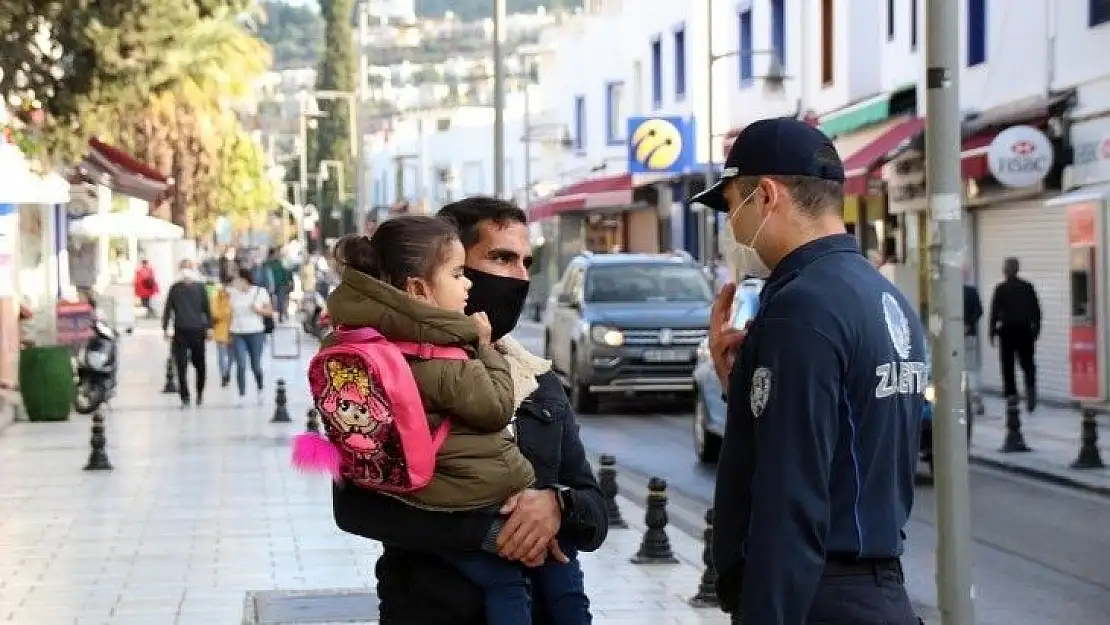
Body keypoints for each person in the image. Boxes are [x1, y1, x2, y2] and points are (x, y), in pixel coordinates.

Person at [329, 196, 607, 624]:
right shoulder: (391, 374)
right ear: (438, 271)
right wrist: (493, 532)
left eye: (526, 263)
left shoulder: (539, 380)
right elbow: (355, 508)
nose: (519, 277)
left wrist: (557, 507)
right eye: (501, 258)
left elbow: (593, 507)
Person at [694, 118, 925, 625]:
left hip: (819, 597)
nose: (731, 226)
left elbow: (789, 500)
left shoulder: (801, 310)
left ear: (768, 195)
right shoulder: (885, 298)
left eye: (733, 205)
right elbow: (844, 439)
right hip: (877, 590)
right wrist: (748, 387)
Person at [989, 257, 1041, 412]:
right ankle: (1030, 392)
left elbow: (994, 312)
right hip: (1024, 331)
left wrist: (991, 331)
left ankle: (1011, 395)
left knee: (1008, 365)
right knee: (1028, 364)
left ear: (1007, 270)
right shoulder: (1027, 287)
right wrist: (1036, 330)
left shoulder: (1001, 289)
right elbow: (1036, 311)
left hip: (1008, 331)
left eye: (1005, 268)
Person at [162, 259, 213, 408]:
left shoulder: (200, 288)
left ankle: (199, 393)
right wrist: (165, 328)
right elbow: (168, 309)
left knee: (200, 364)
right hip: (180, 331)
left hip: (197, 330)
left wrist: (209, 328)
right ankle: (185, 397)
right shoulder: (175, 289)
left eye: (188, 267)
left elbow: (207, 309)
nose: (185, 271)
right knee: (181, 365)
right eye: (183, 268)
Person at [228, 267, 272, 406]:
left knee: (255, 365)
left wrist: (258, 310)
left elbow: (270, 311)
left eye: (237, 279)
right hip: (237, 332)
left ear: (244, 280)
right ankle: (241, 394)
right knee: (240, 364)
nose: (234, 281)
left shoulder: (260, 292)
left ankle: (260, 389)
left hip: (255, 332)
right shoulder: (232, 293)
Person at [964, 278, 985, 416]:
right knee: (970, 368)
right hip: (969, 335)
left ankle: (971, 398)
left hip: (950, 338)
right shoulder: (971, 291)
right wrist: (969, 324)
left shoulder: (942, 292)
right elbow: (979, 311)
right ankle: (975, 398)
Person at [210, 276, 234, 388]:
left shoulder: (237, 296)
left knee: (231, 355)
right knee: (221, 354)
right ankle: (224, 375)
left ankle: (227, 372)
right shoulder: (217, 296)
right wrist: (227, 313)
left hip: (235, 329)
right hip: (221, 329)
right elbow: (214, 312)